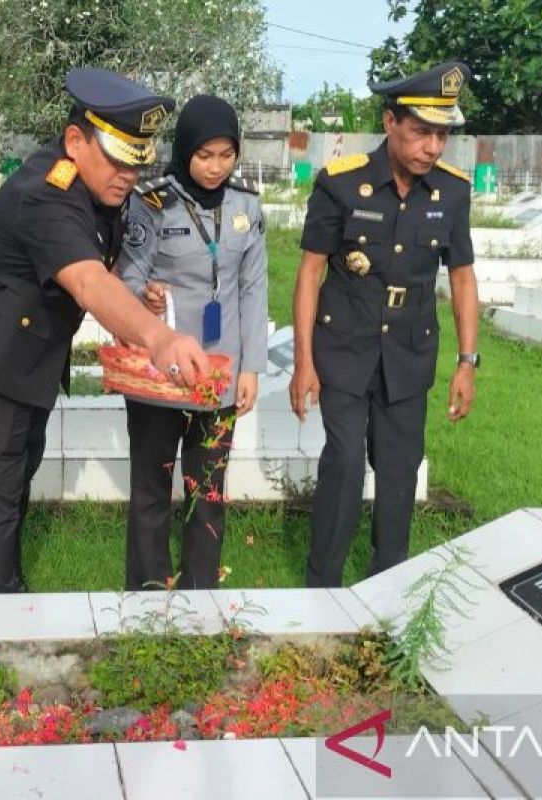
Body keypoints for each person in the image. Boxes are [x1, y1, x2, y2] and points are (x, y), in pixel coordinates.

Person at [0, 68, 210, 594]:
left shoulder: (100, 186)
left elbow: (100, 270)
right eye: (116, 159)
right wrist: (158, 337)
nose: (127, 176)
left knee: (15, 482)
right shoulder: (45, 193)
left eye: (137, 162)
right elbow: (85, 280)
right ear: (75, 141)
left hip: (30, 358)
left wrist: (136, 303)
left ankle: (0, 586)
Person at [289, 61, 481, 587]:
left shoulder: (452, 193)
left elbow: (462, 278)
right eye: (422, 131)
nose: (433, 147)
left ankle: (386, 587)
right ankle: (322, 585)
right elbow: (309, 273)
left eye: (442, 134)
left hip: (410, 353)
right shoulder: (341, 185)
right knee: (346, 462)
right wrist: (303, 362)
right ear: (390, 121)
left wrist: (467, 362)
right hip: (345, 348)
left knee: (399, 474)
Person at [118, 95, 267, 591]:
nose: (215, 167)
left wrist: (250, 369)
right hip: (161, 372)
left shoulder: (246, 204)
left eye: (227, 156)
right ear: (185, 151)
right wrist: (147, 296)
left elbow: (252, 288)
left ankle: (202, 593)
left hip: (219, 374)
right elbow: (128, 277)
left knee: (208, 488)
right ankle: (148, 591)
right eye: (205, 155)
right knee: (152, 485)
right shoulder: (153, 201)